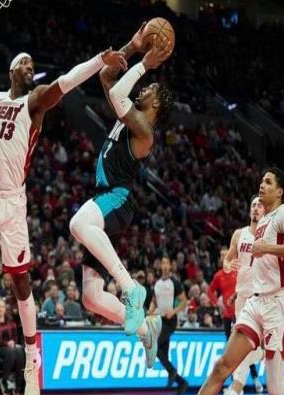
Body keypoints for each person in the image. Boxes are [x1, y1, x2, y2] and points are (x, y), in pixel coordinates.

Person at [0, 46, 127, 395]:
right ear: (11, 71)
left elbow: (66, 81)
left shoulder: (34, 102)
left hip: (13, 204)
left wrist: (100, 61)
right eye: (23, 63)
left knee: (22, 286)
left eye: (32, 65)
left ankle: (31, 364)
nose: (29, 67)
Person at [160, 168, 284, 395]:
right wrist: (231, 268)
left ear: (279, 191)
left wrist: (267, 248)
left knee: (276, 389)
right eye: (261, 180)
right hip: (254, 303)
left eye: (268, 182)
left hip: (278, 306)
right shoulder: (259, 224)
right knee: (222, 366)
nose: (262, 184)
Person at [69, 24, 173, 368]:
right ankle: (147, 329)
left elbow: (116, 93)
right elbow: (107, 77)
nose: (144, 87)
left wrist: (144, 64)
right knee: (91, 297)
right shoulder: (129, 114)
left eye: (150, 88)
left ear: (155, 102)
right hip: (106, 202)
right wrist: (132, 45)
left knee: (77, 223)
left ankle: (131, 289)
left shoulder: (145, 130)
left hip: (117, 198)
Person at [221, 196, 265, 395]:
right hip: (242, 298)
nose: (255, 208)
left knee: (252, 349)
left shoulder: (271, 237)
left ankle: (234, 392)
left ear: (265, 211)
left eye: (259, 205)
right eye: (253, 205)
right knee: (243, 348)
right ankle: (234, 393)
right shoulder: (239, 234)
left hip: (261, 297)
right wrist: (228, 265)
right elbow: (227, 260)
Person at [149, 256, 188, 395]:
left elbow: (184, 302)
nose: (165, 265)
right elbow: (154, 301)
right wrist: (150, 312)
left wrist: (174, 311)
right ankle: (181, 382)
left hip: (170, 321)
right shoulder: (157, 284)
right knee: (162, 356)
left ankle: (172, 372)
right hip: (160, 320)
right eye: (163, 263)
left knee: (155, 347)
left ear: (170, 266)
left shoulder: (174, 283)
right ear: (160, 266)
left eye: (167, 263)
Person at [0, 299, 25, 395]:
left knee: (20, 352)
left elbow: (15, 335)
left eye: (2, 307)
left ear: (5, 308)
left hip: (11, 346)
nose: (1, 309)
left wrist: (14, 342)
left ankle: (18, 386)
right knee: (10, 352)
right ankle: (3, 380)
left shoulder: (10, 320)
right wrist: (7, 343)